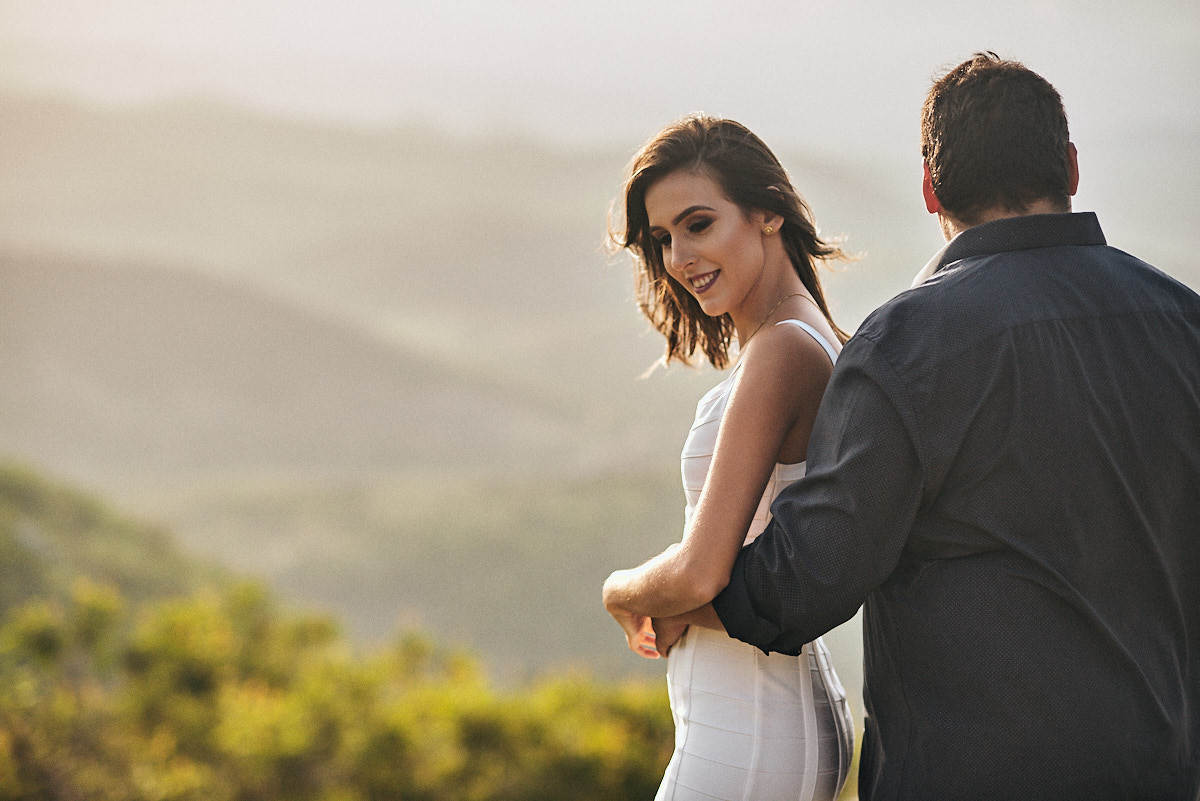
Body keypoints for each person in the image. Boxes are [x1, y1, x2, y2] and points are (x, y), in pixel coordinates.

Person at [652, 53, 1196, 800]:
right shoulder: (1183, 324)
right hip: (1159, 772)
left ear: (930, 187)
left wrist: (666, 593)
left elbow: (804, 581)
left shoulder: (906, 347)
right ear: (1070, 167)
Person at [602, 115, 855, 801]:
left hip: (749, 731)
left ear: (768, 210)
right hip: (759, 716)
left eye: (698, 224)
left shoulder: (781, 350)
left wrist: (620, 591)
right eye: (661, 239)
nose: (679, 256)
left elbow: (701, 570)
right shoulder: (809, 338)